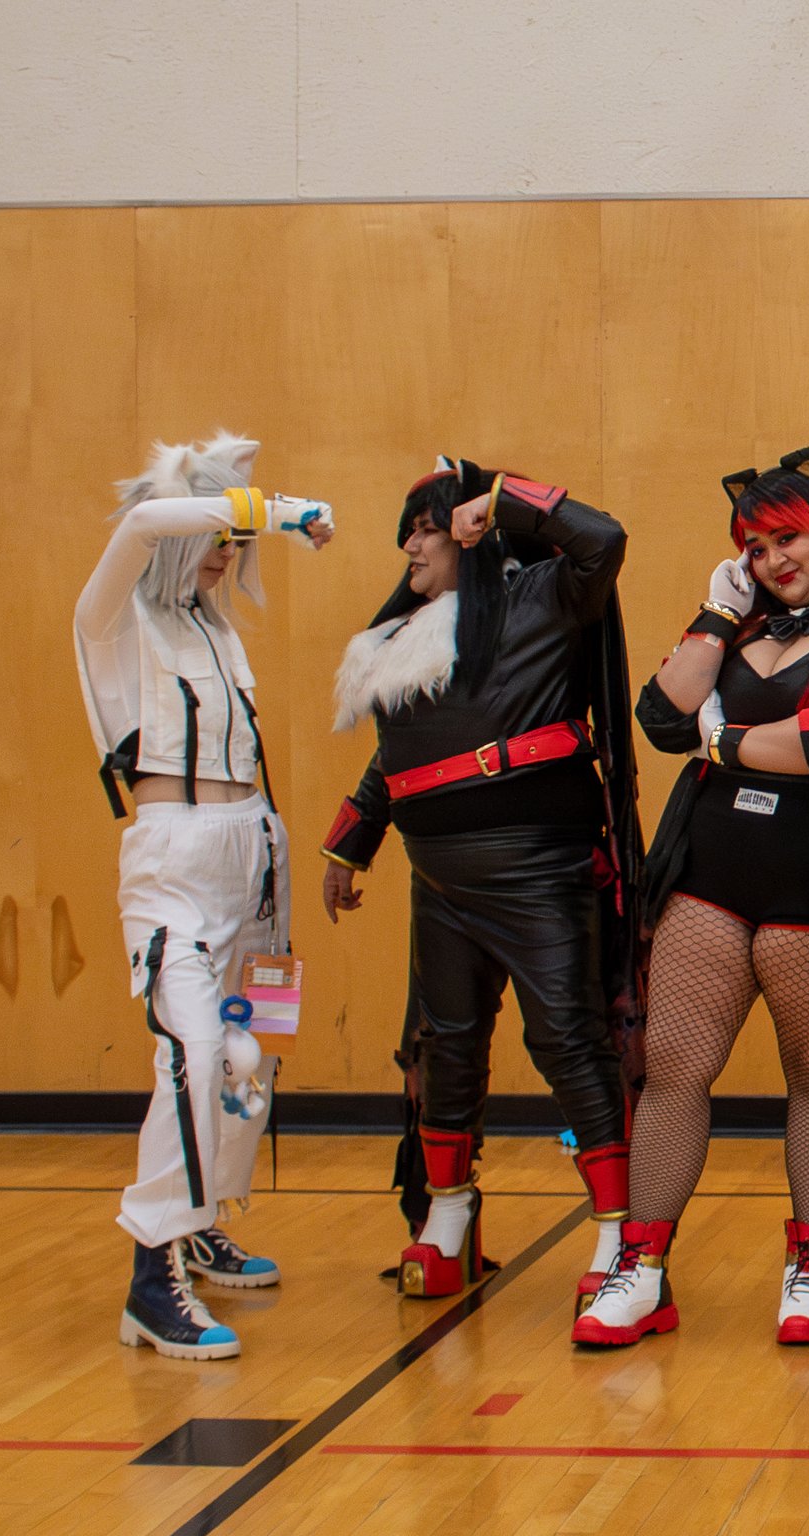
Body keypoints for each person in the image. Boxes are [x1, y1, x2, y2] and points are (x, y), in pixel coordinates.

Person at [574, 449, 809, 1347]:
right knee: (671, 1065)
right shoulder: (738, 624)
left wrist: (727, 744)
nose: (774, 558)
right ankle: (642, 1269)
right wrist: (714, 614)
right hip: (711, 873)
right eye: (754, 545)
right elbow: (664, 716)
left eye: (788, 537)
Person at [321, 460, 645, 1313]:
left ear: (468, 530)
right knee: (445, 1050)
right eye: (407, 530)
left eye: (425, 525)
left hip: (539, 867)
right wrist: (350, 844)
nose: (409, 543)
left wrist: (500, 494)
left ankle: (619, 1235)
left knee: (569, 1042)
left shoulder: (539, 599)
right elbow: (394, 760)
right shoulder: (399, 641)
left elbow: (602, 537)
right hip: (440, 881)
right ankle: (446, 1226)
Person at [76, 435, 332, 1359]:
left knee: (250, 1055)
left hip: (256, 855)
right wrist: (276, 507)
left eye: (238, 538)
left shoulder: (218, 628)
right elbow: (146, 522)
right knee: (192, 1048)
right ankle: (152, 1271)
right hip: (173, 871)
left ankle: (201, 1219)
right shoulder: (110, 623)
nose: (228, 550)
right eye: (218, 530)